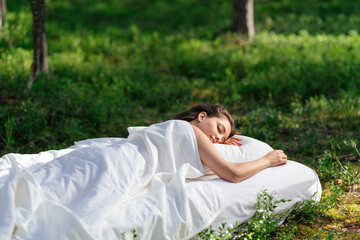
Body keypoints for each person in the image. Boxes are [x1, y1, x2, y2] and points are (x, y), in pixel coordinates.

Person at [173, 103, 287, 183]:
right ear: (202, 116)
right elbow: (233, 174)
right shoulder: (193, 131)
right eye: (219, 129)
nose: (219, 138)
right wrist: (267, 160)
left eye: (222, 139)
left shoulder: (173, 128)